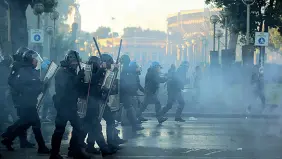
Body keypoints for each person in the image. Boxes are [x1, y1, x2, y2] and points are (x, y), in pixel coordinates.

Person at [1, 50, 50, 154]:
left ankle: (8, 138)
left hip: (27, 102)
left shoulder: (29, 70)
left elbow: (34, 85)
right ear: (30, 60)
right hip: (25, 103)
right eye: (35, 59)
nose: (37, 61)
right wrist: (42, 86)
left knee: (24, 123)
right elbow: (28, 88)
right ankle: (41, 147)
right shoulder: (25, 71)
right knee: (35, 123)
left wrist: (43, 85)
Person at [50, 50, 90, 159]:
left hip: (71, 105)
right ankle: (54, 154)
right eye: (73, 62)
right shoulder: (62, 71)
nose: (75, 64)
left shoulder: (71, 71)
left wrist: (82, 79)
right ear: (68, 60)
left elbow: (76, 88)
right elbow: (66, 88)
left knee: (78, 128)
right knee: (59, 130)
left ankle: (74, 151)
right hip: (63, 105)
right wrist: (77, 78)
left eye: (76, 63)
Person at [81, 55, 119, 157]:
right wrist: (102, 69)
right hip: (91, 104)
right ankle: (103, 148)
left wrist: (113, 71)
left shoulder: (100, 72)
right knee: (94, 127)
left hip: (97, 102)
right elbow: (92, 82)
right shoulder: (89, 73)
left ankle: (88, 146)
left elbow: (105, 83)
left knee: (90, 126)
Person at [4, 47, 35, 149]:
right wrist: (21, 89)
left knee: (23, 119)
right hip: (18, 97)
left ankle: (22, 141)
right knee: (23, 120)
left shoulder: (21, 65)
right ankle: (8, 134)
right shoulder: (17, 65)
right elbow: (11, 81)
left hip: (21, 96)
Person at [120, 61, 145, 131]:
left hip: (130, 93)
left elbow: (136, 84)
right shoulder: (128, 73)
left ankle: (132, 123)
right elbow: (128, 85)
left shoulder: (132, 73)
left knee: (130, 108)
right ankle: (128, 122)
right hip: (127, 93)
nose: (138, 69)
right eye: (136, 67)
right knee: (128, 108)